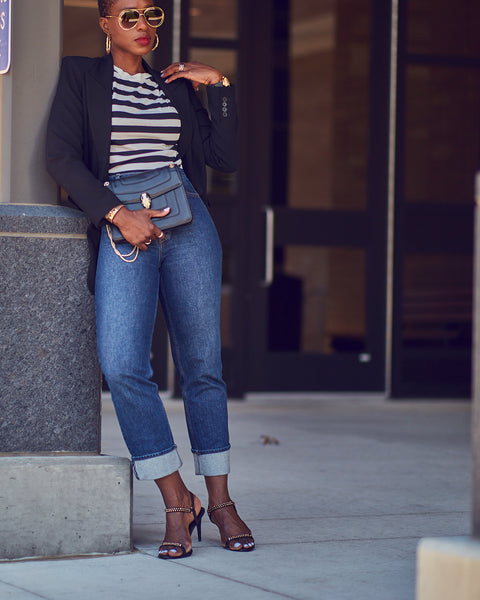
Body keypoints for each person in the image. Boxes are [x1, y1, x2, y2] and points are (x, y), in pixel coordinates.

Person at [46, 0, 254, 559]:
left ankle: (223, 501)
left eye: (153, 16)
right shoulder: (80, 75)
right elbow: (63, 158)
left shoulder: (176, 86)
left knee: (202, 366)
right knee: (121, 362)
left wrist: (220, 85)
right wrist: (117, 214)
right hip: (123, 218)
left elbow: (224, 158)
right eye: (130, 16)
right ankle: (175, 498)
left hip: (186, 214)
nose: (143, 26)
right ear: (106, 24)